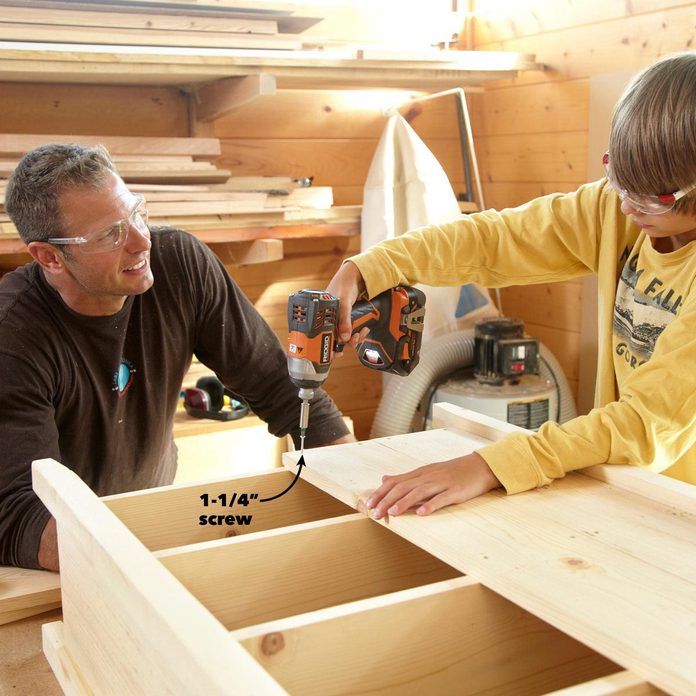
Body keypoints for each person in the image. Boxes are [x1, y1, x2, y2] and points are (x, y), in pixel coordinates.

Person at [327, 52, 696, 521]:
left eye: (649, 195)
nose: (625, 207)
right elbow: (492, 240)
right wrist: (370, 267)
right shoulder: (617, 208)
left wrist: (489, 465)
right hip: (632, 484)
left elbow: (646, 424)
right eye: (619, 179)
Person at [0, 143, 353, 570]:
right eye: (110, 234)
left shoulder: (180, 264)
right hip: (57, 555)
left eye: (136, 214)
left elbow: (285, 393)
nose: (140, 241)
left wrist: (357, 485)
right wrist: (187, 529)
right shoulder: (12, 336)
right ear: (49, 257)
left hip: (145, 510)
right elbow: (21, 518)